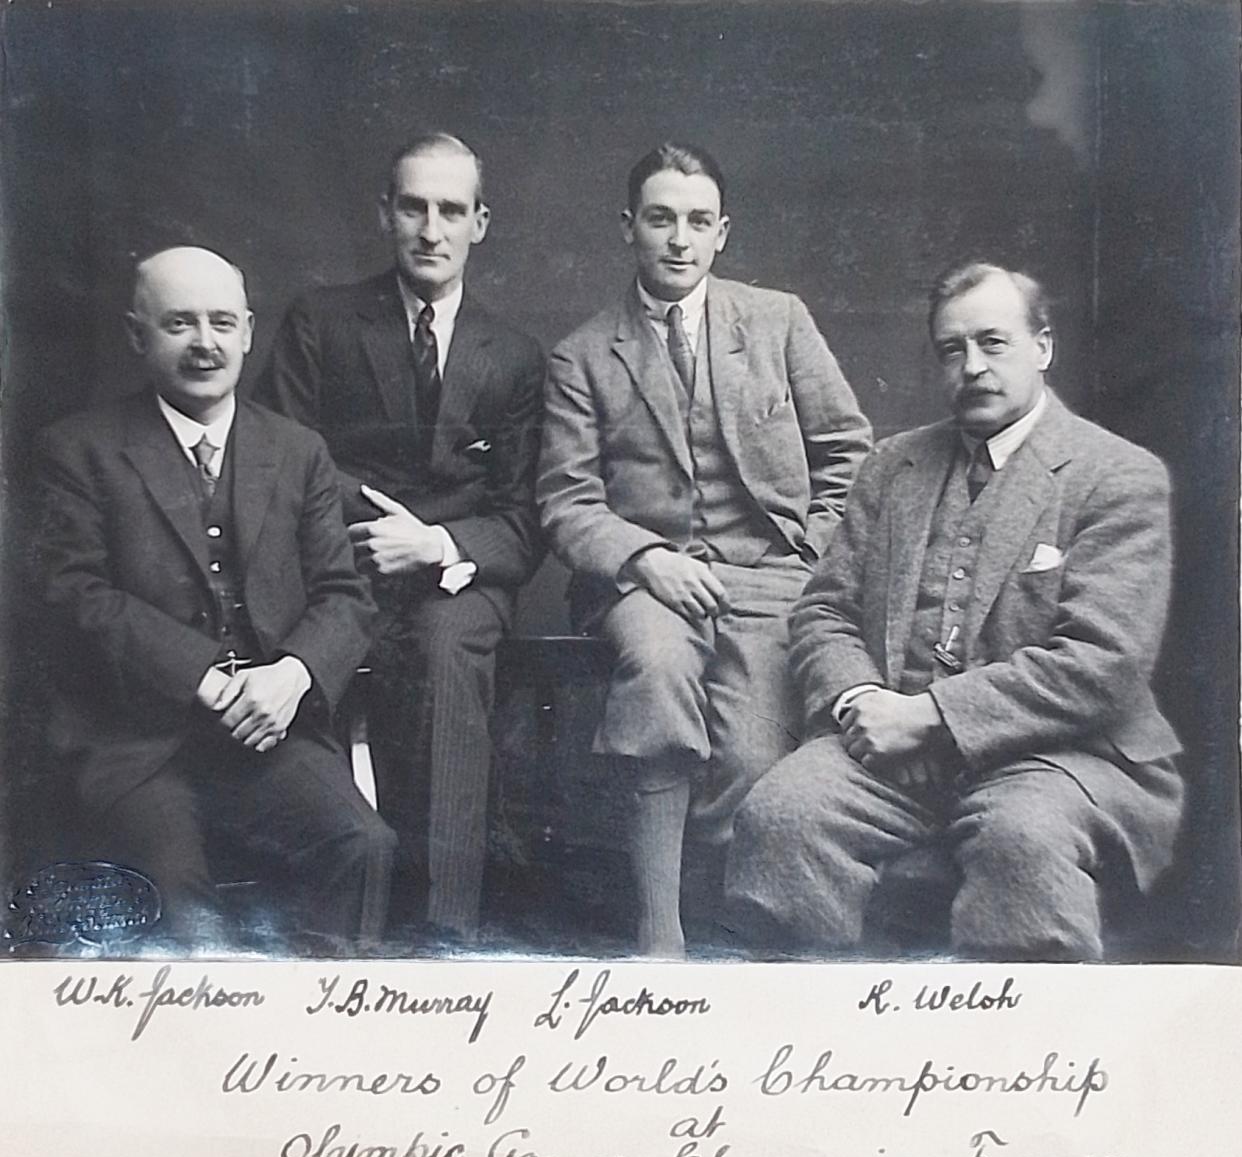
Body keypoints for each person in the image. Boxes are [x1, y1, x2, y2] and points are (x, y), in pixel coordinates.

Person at [727, 261, 1184, 961]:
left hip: (1059, 758)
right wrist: (865, 702)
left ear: (1043, 348)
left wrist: (932, 719)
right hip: (891, 752)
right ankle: (807, 1052)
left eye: (993, 343)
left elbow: (1103, 664)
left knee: (1021, 839)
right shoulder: (891, 467)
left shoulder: (1116, 476)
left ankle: (1020, 1058)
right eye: (952, 349)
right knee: (783, 813)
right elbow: (823, 611)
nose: (972, 366)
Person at [538, 142, 872, 956]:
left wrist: (811, 555)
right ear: (629, 229)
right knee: (655, 668)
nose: (678, 240)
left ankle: (722, 920)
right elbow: (566, 500)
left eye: (696, 222)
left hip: (770, 578)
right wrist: (646, 560)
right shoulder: (582, 354)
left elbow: (850, 452)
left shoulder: (778, 320)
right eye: (660, 220)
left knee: (753, 762)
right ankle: (660, 934)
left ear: (722, 232)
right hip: (647, 584)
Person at [36, 246, 395, 949]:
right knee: (177, 897)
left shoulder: (297, 451)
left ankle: (318, 1047)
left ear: (250, 332)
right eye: (180, 325)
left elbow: (344, 595)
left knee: (362, 844)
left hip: (268, 738)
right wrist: (202, 678)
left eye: (222, 323)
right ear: (138, 336)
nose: (206, 344)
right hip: (137, 744)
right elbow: (71, 592)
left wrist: (292, 676)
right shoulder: (78, 449)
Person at [255, 133, 544, 942]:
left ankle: (443, 933)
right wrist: (370, 531)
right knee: (298, 659)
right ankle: (319, 927)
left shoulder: (515, 356)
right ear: (385, 213)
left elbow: (525, 519)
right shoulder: (322, 320)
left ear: (479, 223)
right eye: (413, 206)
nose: (431, 228)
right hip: (337, 566)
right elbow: (276, 457)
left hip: (454, 582)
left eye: (451, 210)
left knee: (450, 655)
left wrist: (440, 544)